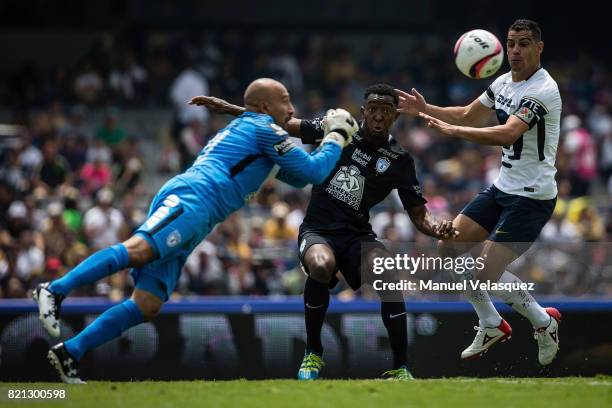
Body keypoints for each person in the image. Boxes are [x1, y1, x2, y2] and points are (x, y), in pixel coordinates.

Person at [33, 78, 358, 383]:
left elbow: (301, 176)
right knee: (139, 250)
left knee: (148, 302)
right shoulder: (263, 128)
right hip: (194, 198)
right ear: (263, 106)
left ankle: (70, 352)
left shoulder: (260, 131)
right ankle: (54, 289)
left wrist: (331, 143)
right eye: (284, 101)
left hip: (200, 212)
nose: (291, 108)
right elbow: (315, 171)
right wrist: (335, 136)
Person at [191, 83, 457, 380]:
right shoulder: (339, 130)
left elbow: (419, 214)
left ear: (395, 115)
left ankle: (401, 367)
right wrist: (232, 109)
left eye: (385, 111)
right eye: (373, 110)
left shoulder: (399, 160)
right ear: (363, 112)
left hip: (357, 235)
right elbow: (285, 124)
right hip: (318, 229)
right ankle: (313, 353)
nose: (379, 117)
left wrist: (438, 229)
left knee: (389, 274)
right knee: (321, 265)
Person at [396, 19, 562, 365]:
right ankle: (490, 322)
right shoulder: (502, 82)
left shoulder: (543, 90)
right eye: (512, 43)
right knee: (448, 246)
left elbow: (506, 134)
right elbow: (469, 114)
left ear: (539, 48)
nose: (515, 50)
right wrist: (425, 109)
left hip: (532, 196)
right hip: (504, 187)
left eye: (524, 43)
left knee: (486, 271)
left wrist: (452, 130)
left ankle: (543, 323)